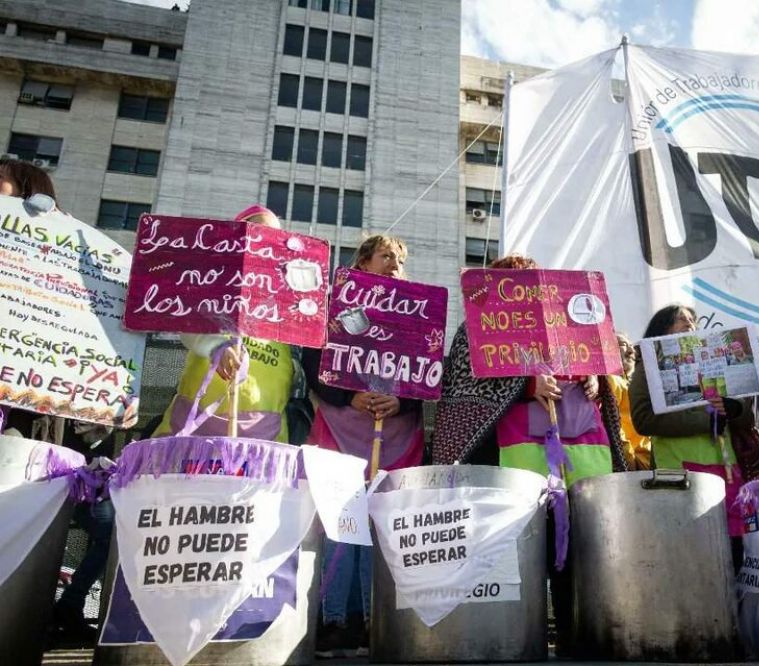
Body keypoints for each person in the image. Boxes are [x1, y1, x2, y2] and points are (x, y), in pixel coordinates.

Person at [432, 254, 626, 656]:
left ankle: (578, 632)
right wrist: (525, 385)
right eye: (515, 280)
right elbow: (466, 377)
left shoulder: (562, 317)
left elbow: (591, 359)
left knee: (577, 540)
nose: (523, 287)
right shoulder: (478, 323)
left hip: (580, 448)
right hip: (512, 452)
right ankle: (522, 634)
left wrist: (592, 375)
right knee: (523, 543)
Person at [0, 159, 114, 645]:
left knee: (107, 526)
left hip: (54, 444)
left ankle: (63, 611)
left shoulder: (64, 269)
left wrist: (103, 410)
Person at [304, 234, 424, 658]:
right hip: (341, 430)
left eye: (401, 258)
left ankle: (379, 620)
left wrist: (402, 399)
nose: (395, 263)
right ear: (364, 262)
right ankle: (337, 620)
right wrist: (347, 397)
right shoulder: (336, 307)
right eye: (387, 255)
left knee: (382, 530)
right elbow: (313, 361)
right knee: (340, 527)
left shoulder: (417, 312)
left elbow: (427, 370)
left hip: (396, 436)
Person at [151, 205, 296, 442]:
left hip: (265, 433)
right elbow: (188, 325)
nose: (266, 239)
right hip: (197, 424)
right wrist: (216, 346)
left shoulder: (289, 294)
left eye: (275, 235)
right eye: (257, 229)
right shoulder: (212, 277)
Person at [629, 304, 753, 564]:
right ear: (662, 328)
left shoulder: (715, 360)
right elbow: (643, 419)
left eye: (692, 320)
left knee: (733, 549)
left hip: (726, 469)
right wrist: (705, 420)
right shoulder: (648, 365)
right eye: (680, 319)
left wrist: (734, 408)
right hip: (678, 470)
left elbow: (747, 415)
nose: (689, 324)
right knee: (690, 550)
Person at [609, 332, 651, 470]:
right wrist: (628, 461)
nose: (631, 351)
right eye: (623, 345)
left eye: (632, 346)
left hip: (647, 462)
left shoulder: (640, 385)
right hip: (629, 465)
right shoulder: (610, 380)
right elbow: (613, 426)